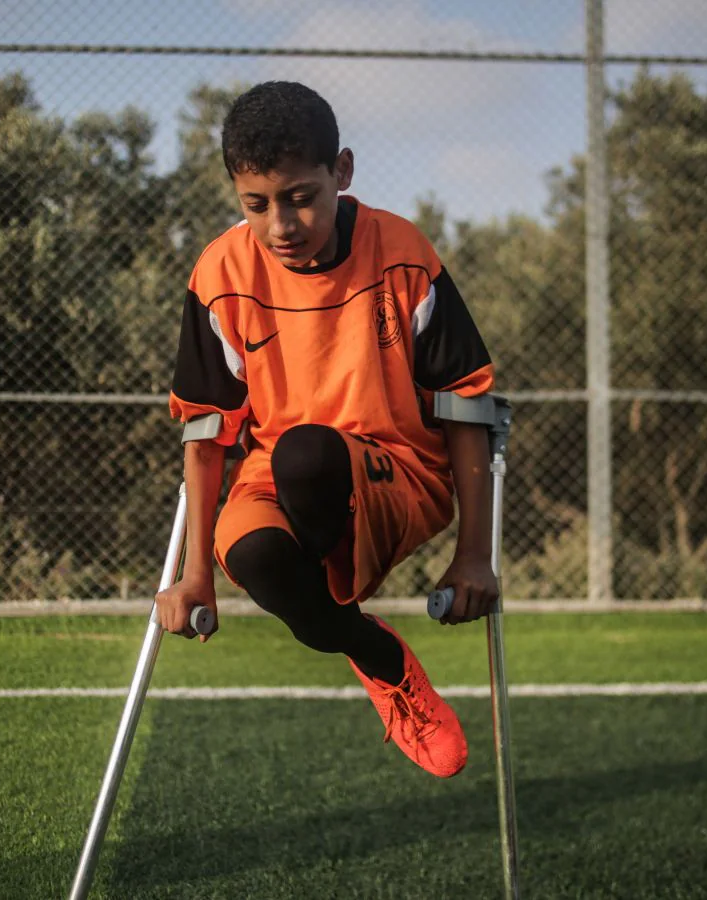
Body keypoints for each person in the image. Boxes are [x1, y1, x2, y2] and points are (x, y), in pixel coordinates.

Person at [156, 81, 498, 778]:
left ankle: (324, 592)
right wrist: (196, 577)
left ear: (341, 172)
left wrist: (474, 556)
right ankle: (380, 658)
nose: (280, 224)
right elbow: (205, 432)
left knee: (310, 454)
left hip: (397, 473)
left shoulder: (402, 252)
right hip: (276, 472)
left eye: (300, 197)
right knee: (248, 552)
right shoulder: (220, 272)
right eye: (256, 204)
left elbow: (466, 409)